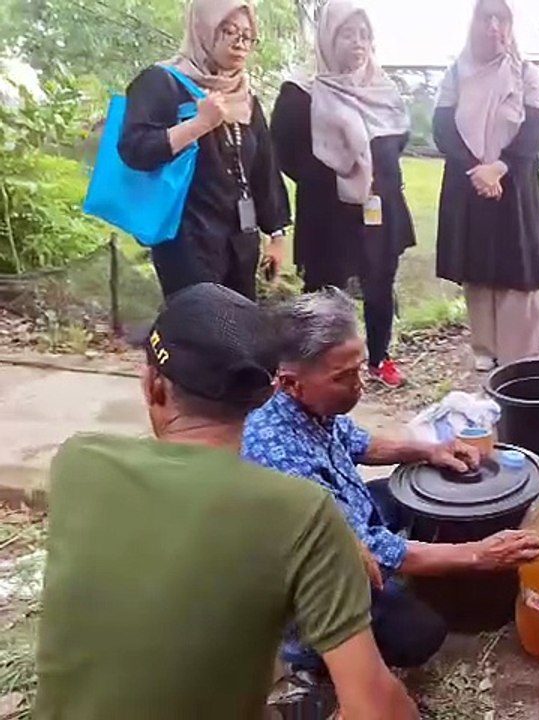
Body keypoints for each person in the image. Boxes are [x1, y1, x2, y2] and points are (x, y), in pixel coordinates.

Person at [35, 284, 417, 720]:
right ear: (269, 394)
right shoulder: (300, 512)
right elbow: (376, 709)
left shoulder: (78, 462)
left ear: (151, 385)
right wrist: (335, 538)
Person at [242, 287, 539, 673]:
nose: (359, 385)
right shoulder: (276, 453)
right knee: (422, 632)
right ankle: (314, 659)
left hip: (347, 526)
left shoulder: (310, 404)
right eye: (343, 377)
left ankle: (412, 573)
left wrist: (430, 451)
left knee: (401, 495)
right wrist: (479, 555)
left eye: (360, 368)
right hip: (320, 580)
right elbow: (367, 547)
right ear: (290, 383)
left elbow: (359, 443)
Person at [271, 0, 416, 389]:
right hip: (327, 210)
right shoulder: (300, 93)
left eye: (365, 34)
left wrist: (371, 174)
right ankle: (322, 363)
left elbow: (399, 137)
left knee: (380, 281)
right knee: (324, 286)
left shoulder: (382, 89)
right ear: (328, 38)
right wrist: (335, 177)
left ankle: (379, 358)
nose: (358, 43)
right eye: (348, 34)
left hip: (378, 204)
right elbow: (284, 152)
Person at [119, 0, 290, 301]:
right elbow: (135, 149)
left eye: (247, 36)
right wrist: (199, 124)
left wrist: (276, 235)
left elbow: (264, 168)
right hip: (186, 239)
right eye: (229, 31)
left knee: (239, 336)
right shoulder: (162, 82)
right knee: (198, 335)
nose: (240, 44)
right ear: (204, 29)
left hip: (240, 242)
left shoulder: (245, 98)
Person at [433, 0, 539, 372]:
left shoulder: (526, 73)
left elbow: (535, 129)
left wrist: (499, 168)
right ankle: (485, 347)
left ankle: (522, 353)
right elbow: (443, 129)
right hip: (470, 183)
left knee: (517, 265)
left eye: (502, 19)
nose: (494, 27)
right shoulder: (456, 73)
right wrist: (477, 170)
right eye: (487, 18)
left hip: (514, 182)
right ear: (474, 24)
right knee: (478, 264)